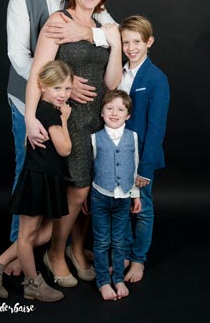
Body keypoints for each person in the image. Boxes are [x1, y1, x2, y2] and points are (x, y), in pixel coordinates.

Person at [4, 0, 115, 275]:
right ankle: (21, 259)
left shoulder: (92, 6)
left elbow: (109, 38)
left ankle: (66, 251)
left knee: (74, 189)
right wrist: (59, 88)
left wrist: (87, 35)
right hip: (34, 101)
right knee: (33, 177)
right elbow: (21, 57)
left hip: (81, 116)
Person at [24, 0, 123, 288]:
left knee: (89, 194)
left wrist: (115, 42)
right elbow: (38, 71)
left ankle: (77, 251)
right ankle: (55, 253)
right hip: (70, 121)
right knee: (77, 190)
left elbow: (111, 82)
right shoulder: (58, 20)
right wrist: (29, 119)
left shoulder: (104, 26)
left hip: (99, 121)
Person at [0, 60, 73, 302]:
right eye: (57, 88)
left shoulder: (46, 108)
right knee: (27, 236)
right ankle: (33, 284)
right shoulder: (49, 112)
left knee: (41, 235)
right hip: (38, 179)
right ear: (42, 86)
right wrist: (65, 120)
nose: (63, 94)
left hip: (49, 178)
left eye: (67, 88)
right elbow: (64, 149)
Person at [118, 15, 169, 283]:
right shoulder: (119, 73)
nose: (131, 47)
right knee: (122, 207)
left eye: (136, 41)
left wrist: (144, 169)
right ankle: (124, 254)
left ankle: (138, 260)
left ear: (148, 42)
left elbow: (156, 128)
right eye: (125, 42)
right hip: (118, 155)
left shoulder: (156, 78)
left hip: (141, 159)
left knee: (143, 209)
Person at [89, 90, 142, 300]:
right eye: (109, 108)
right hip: (100, 196)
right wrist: (87, 198)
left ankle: (118, 278)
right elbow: (91, 169)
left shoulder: (133, 137)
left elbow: (135, 166)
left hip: (123, 198)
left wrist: (135, 195)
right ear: (101, 113)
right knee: (101, 242)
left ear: (128, 115)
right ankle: (103, 281)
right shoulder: (95, 138)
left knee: (119, 242)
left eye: (120, 109)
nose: (114, 113)